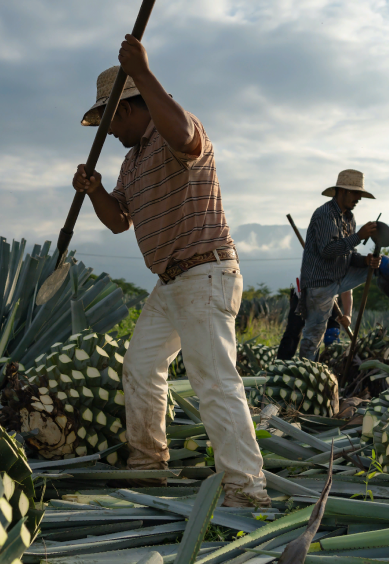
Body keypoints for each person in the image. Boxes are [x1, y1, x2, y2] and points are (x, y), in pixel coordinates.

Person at [71, 35, 270, 507]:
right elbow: (119, 221)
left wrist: (141, 71)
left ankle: (246, 489)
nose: (109, 131)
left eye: (109, 120)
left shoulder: (176, 132)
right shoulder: (131, 161)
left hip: (205, 273)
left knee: (214, 381)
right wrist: (95, 190)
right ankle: (148, 466)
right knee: (140, 367)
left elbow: (183, 133)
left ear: (125, 110)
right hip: (170, 282)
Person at [297, 170, 389, 360]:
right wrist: (359, 236)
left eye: (360, 194)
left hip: (340, 276)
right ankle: (305, 373)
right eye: (356, 194)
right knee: (314, 335)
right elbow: (327, 251)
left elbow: (347, 254)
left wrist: (364, 261)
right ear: (344, 191)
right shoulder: (325, 215)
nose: (359, 199)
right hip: (320, 283)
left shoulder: (348, 218)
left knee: (385, 264)